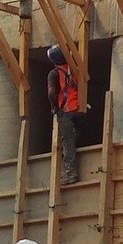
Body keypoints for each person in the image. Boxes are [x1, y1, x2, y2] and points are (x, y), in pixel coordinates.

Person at [47, 44, 83, 187]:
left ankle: (71, 174)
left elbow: (51, 92)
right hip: (79, 110)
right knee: (74, 137)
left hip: (66, 112)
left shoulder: (54, 73)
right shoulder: (74, 69)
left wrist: (53, 107)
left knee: (67, 142)